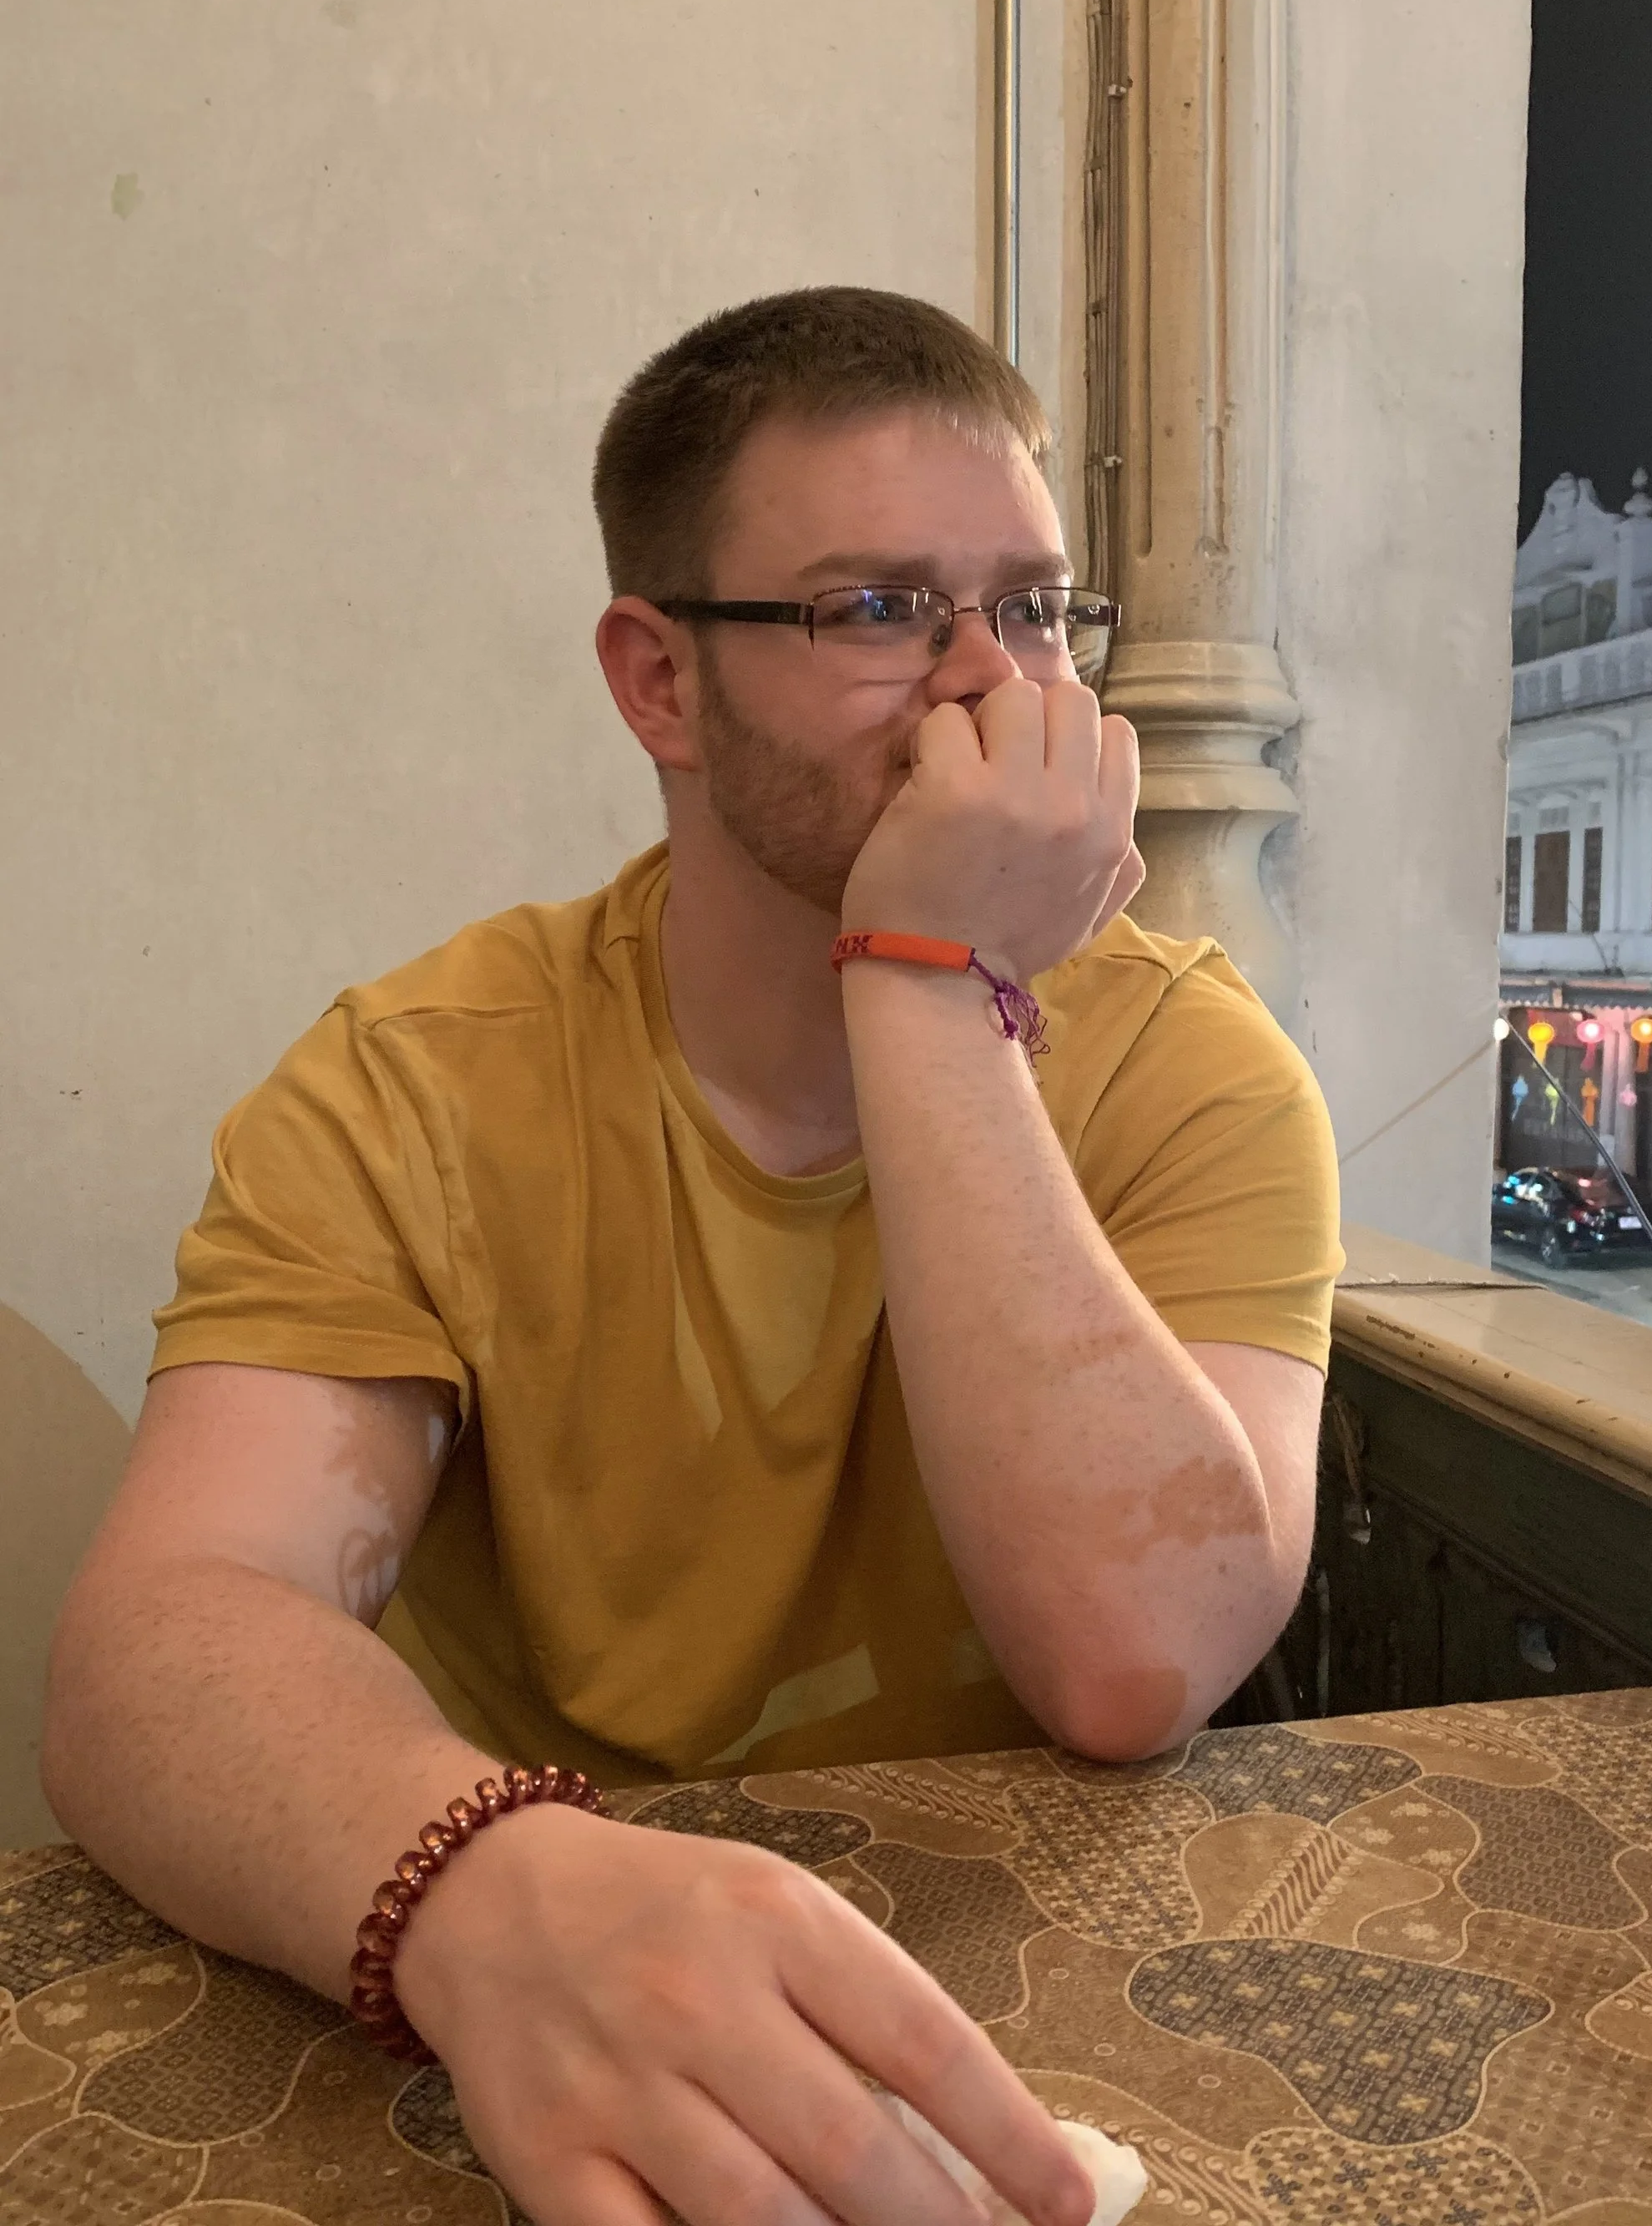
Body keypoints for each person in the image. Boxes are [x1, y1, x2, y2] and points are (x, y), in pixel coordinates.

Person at [43, 288, 1342, 2226]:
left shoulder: (1190, 1065)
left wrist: (926, 983)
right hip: (550, 1970)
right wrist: (483, 1886)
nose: (992, 686)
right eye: (877, 610)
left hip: (1045, 2006)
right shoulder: (415, 1085)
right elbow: (156, 1648)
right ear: (659, 682)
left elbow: (1132, 1660)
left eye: (1034, 608)